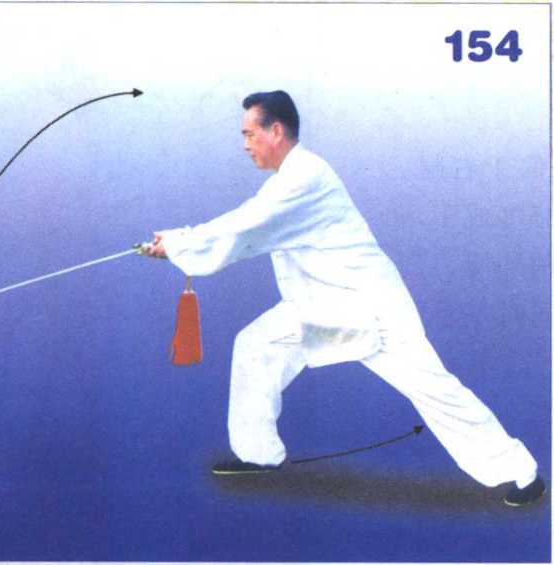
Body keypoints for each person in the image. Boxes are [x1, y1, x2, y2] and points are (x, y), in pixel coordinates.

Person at [143, 90, 545, 507]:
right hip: (320, 307)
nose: (244, 144)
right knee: (256, 345)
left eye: (249, 134)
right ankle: (257, 454)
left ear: (275, 130)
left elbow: (246, 225)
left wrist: (179, 243)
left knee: (433, 388)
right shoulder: (285, 183)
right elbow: (247, 235)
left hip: (373, 309)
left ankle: (522, 473)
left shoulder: (306, 178)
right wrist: (178, 244)